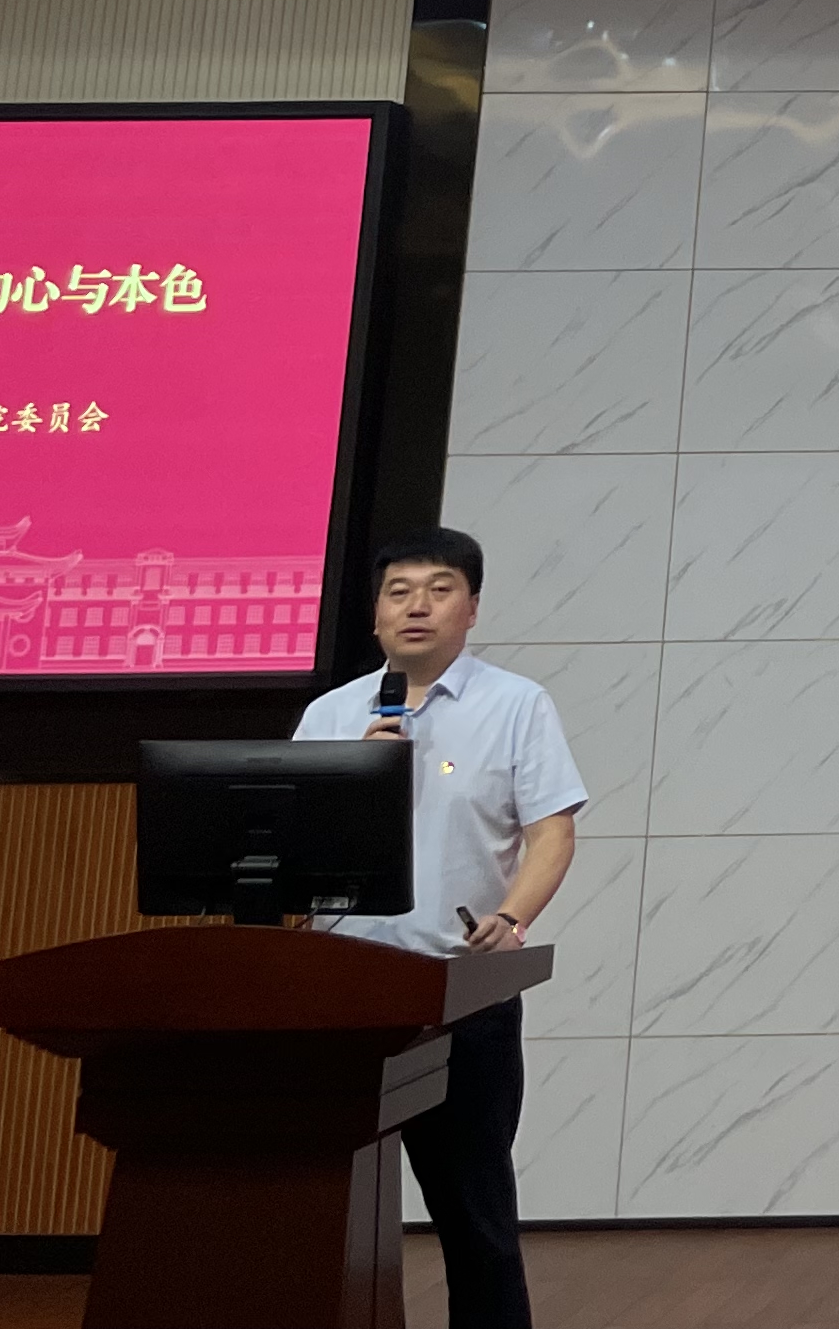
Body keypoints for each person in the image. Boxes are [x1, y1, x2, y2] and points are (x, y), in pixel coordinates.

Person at [293, 528, 585, 1329]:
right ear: (376, 615)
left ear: (472, 608)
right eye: (399, 591)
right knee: (328, 1205)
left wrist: (513, 916)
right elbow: (293, 844)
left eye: (439, 588)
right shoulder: (331, 714)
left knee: (473, 1214)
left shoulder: (516, 704)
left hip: (460, 992)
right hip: (342, 993)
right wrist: (351, 778)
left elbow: (553, 831)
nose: (416, 605)